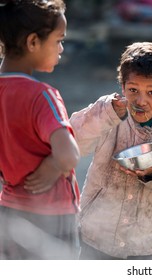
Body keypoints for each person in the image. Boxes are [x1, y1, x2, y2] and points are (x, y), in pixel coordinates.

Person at [70, 41, 152, 260]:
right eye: (133, 90)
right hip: (96, 235)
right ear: (122, 86)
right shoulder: (108, 113)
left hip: (143, 244)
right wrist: (105, 114)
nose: (141, 100)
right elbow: (73, 141)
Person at [0, 0, 80, 259]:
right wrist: (54, 165)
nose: (61, 49)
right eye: (58, 40)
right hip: (53, 218)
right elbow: (68, 156)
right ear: (33, 42)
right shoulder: (42, 96)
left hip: (9, 216)